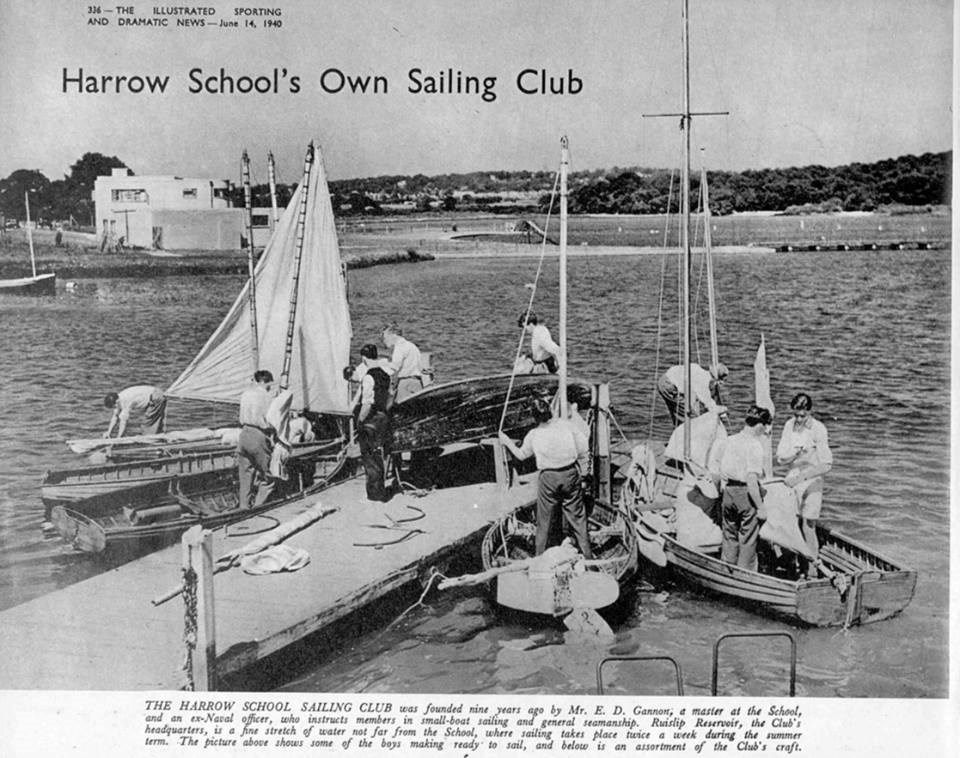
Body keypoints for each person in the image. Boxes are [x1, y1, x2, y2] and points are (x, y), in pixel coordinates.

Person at [498, 398, 593, 559]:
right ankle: (588, 558)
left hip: (548, 478)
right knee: (578, 520)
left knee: (543, 522)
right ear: (550, 411)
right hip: (570, 474)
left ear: (534, 417)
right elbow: (584, 448)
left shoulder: (534, 435)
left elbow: (521, 455)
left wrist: (506, 441)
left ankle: (538, 559)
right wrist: (584, 474)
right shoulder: (566, 426)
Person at [776, 392, 833, 575]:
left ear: (810, 412)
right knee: (791, 523)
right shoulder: (788, 426)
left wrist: (801, 478)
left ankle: (812, 572)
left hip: (812, 479)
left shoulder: (819, 429)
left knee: (808, 526)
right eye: (796, 415)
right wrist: (796, 454)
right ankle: (792, 566)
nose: (799, 419)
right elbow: (780, 458)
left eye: (803, 415)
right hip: (793, 476)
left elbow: (826, 464)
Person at [717, 404, 772, 572]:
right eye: (766, 426)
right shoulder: (755, 446)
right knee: (748, 538)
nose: (766, 431)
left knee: (729, 535)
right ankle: (745, 574)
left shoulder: (730, 440)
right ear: (760, 425)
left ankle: (727, 570)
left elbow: (720, 468)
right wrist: (761, 507)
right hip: (744, 494)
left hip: (728, 492)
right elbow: (751, 480)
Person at [352, 344, 393, 502]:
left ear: (364, 358)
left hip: (371, 420)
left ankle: (374, 494)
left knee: (369, 458)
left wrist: (360, 421)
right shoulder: (385, 374)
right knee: (378, 454)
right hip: (383, 417)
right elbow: (390, 396)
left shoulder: (368, 377)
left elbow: (367, 403)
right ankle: (380, 491)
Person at [238, 370, 277, 510]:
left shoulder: (246, 393)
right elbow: (272, 420)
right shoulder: (267, 396)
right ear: (266, 382)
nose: (270, 387)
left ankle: (243, 506)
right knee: (269, 476)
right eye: (270, 384)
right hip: (258, 435)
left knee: (245, 475)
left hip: (243, 434)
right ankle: (257, 508)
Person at [657, 362, 728, 426]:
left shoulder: (698, 368)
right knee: (692, 418)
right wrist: (722, 410)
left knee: (681, 413)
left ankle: (679, 433)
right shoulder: (703, 383)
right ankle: (686, 436)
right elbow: (708, 404)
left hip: (665, 380)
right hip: (669, 386)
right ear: (717, 380)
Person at [381, 322, 427, 404]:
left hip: (405, 384)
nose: (384, 341)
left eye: (385, 338)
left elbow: (394, 367)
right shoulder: (412, 346)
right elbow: (421, 368)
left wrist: (381, 364)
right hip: (418, 383)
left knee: (402, 410)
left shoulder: (399, 347)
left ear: (392, 334)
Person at [103, 385, 167, 438]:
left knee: (148, 424)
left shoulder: (126, 401)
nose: (115, 408)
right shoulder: (118, 398)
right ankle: (158, 439)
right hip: (155, 395)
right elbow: (115, 416)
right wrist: (108, 432)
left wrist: (119, 438)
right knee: (152, 424)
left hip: (156, 396)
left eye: (114, 407)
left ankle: (152, 443)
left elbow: (123, 422)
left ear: (116, 402)